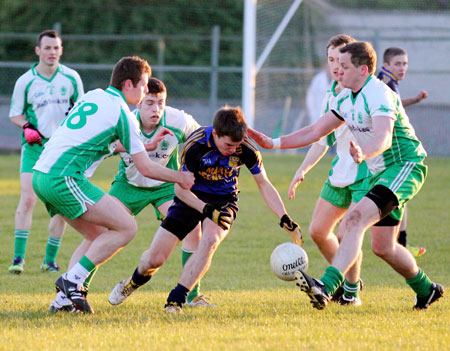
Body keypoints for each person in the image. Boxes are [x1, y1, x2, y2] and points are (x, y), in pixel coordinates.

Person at [248, 41, 443, 310]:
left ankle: (328, 287)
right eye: (336, 64)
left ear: (363, 70)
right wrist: (273, 142)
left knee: (353, 220)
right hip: (379, 172)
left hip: (404, 166)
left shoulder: (378, 93)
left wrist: (364, 152)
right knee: (383, 247)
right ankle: (426, 289)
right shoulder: (344, 97)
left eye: (344, 66)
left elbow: (385, 138)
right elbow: (315, 131)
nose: (338, 70)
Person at [32, 56, 195, 313]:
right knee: (127, 227)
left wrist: (147, 146)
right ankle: (71, 282)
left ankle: (63, 301)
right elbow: (147, 168)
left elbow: (101, 141)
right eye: (143, 86)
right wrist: (181, 177)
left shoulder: (94, 96)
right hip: (64, 177)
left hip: (42, 174)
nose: (144, 93)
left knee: (96, 234)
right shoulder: (123, 113)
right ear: (128, 84)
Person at [108, 106, 303, 314]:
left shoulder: (246, 148)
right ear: (216, 134)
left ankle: (176, 300)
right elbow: (180, 190)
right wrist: (206, 209)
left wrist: (284, 217)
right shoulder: (196, 145)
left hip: (224, 201)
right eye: (228, 144)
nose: (232, 150)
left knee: (210, 241)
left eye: (236, 145)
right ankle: (135, 280)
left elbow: (263, 184)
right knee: (155, 259)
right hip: (190, 198)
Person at [289, 34, 369, 306]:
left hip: (365, 172)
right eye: (331, 59)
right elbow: (321, 139)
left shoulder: (363, 91)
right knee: (319, 231)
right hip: (340, 172)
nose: (336, 66)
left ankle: (350, 292)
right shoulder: (329, 95)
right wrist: (303, 169)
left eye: (341, 60)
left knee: (348, 233)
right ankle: (349, 281)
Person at [8, 30, 84, 275]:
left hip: (61, 148)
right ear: (38, 51)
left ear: (61, 50)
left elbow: (82, 109)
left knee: (60, 204)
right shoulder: (25, 80)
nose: (52, 52)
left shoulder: (71, 78)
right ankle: (18, 259)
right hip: (35, 147)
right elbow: (15, 114)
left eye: (56, 48)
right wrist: (27, 126)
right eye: (47, 48)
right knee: (28, 199)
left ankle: (49, 261)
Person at [378, 46, 428, 258]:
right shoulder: (384, 83)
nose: (402, 68)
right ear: (386, 65)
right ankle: (399, 244)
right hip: (386, 152)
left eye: (405, 64)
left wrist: (414, 100)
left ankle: (400, 243)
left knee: (398, 198)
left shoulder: (390, 83)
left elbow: (395, 106)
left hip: (388, 151)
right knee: (392, 197)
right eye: (397, 64)